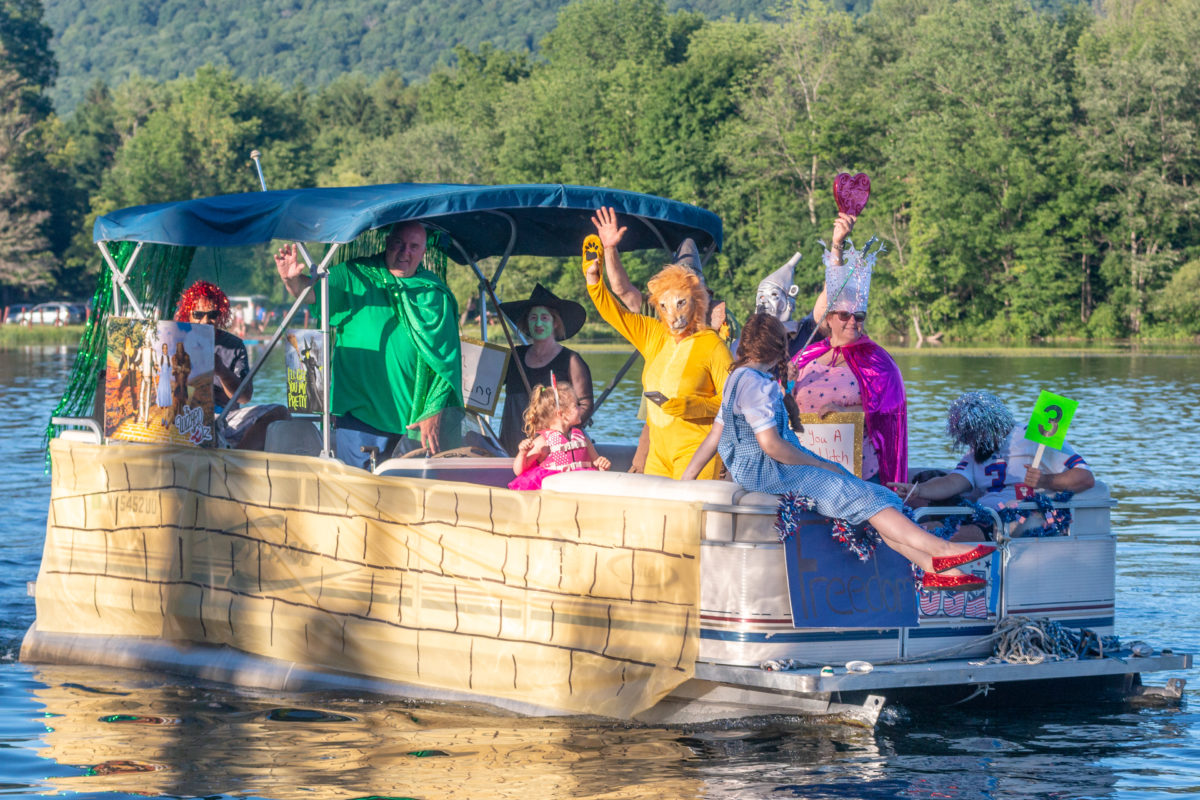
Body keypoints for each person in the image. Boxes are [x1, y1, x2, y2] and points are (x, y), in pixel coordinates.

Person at [682, 314, 992, 591]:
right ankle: (940, 550)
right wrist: (816, 464)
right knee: (854, 490)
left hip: (756, 470)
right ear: (779, 350)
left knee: (865, 492)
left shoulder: (737, 378)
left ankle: (930, 567)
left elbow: (715, 435)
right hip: (768, 471)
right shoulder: (758, 386)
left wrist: (684, 481)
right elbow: (772, 446)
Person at [274, 221, 462, 468]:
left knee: (408, 501)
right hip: (359, 419)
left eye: (414, 246)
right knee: (358, 496)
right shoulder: (355, 274)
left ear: (424, 251)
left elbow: (447, 364)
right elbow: (311, 293)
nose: (405, 251)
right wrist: (292, 280)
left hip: (416, 425)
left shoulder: (435, 293)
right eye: (399, 244)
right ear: (387, 243)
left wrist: (434, 411)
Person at [583, 235, 732, 480]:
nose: (672, 316)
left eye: (680, 303)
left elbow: (733, 403)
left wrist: (690, 406)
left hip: (698, 451)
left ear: (698, 298)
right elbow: (615, 314)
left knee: (688, 516)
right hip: (658, 453)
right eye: (664, 306)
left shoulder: (713, 345)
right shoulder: (653, 334)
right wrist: (593, 281)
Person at [791, 213, 906, 484]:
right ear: (828, 318)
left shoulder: (878, 362)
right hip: (807, 470)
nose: (853, 321)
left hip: (860, 475)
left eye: (859, 316)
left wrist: (847, 415)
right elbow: (774, 405)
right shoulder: (807, 356)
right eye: (844, 315)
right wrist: (783, 379)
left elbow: (890, 415)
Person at [888, 391, 1095, 541]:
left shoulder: (1033, 437)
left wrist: (1045, 480)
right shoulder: (976, 452)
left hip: (1017, 517)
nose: (972, 442)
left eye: (975, 435)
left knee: (935, 531)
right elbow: (952, 482)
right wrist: (917, 490)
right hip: (984, 512)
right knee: (925, 519)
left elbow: (1085, 478)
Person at [175, 281, 290, 450]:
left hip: (226, 418)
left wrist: (221, 370)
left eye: (212, 314)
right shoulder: (174, 342)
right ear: (188, 315)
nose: (206, 320)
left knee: (280, 413)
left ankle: (238, 462)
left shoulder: (234, 345)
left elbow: (245, 397)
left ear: (220, 315)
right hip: (185, 418)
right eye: (198, 314)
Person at [497, 284, 594, 456]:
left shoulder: (571, 360)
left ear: (555, 322)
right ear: (527, 322)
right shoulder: (514, 356)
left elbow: (585, 404)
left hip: (555, 449)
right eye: (533, 318)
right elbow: (486, 384)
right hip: (513, 444)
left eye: (545, 318)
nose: (538, 323)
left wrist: (559, 430)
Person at [508, 382, 611, 491]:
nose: (581, 409)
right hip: (555, 490)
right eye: (576, 405)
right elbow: (519, 471)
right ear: (561, 414)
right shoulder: (543, 442)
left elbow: (595, 464)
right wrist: (523, 453)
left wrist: (601, 466)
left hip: (581, 487)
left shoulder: (583, 439)